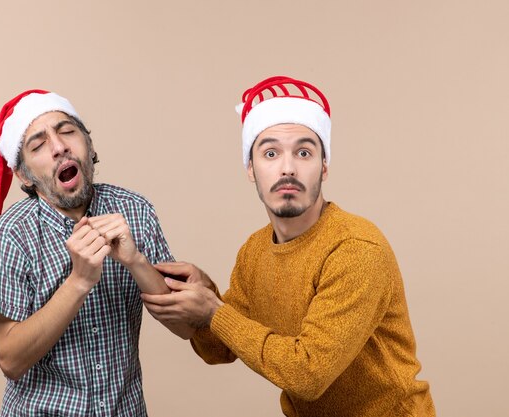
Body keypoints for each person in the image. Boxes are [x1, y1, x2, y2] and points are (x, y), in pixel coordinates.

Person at [142, 76, 436, 416]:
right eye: (270, 153)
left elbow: (308, 374)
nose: (287, 168)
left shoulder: (356, 247)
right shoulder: (255, 251)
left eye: (304, 152)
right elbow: (217, 349)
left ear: (324, 166)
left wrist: (214, 311)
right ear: (251, 168)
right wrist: (205, 292)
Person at [0, 89, 189, 416]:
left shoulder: (135, 211)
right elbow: (10, 359)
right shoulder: (10, 235)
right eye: (38, 145)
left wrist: (135, 261)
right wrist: (78, 281)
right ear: (23, 175)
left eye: (67, 131)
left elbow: (186, 327)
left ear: (89, 147)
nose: (59, 146)